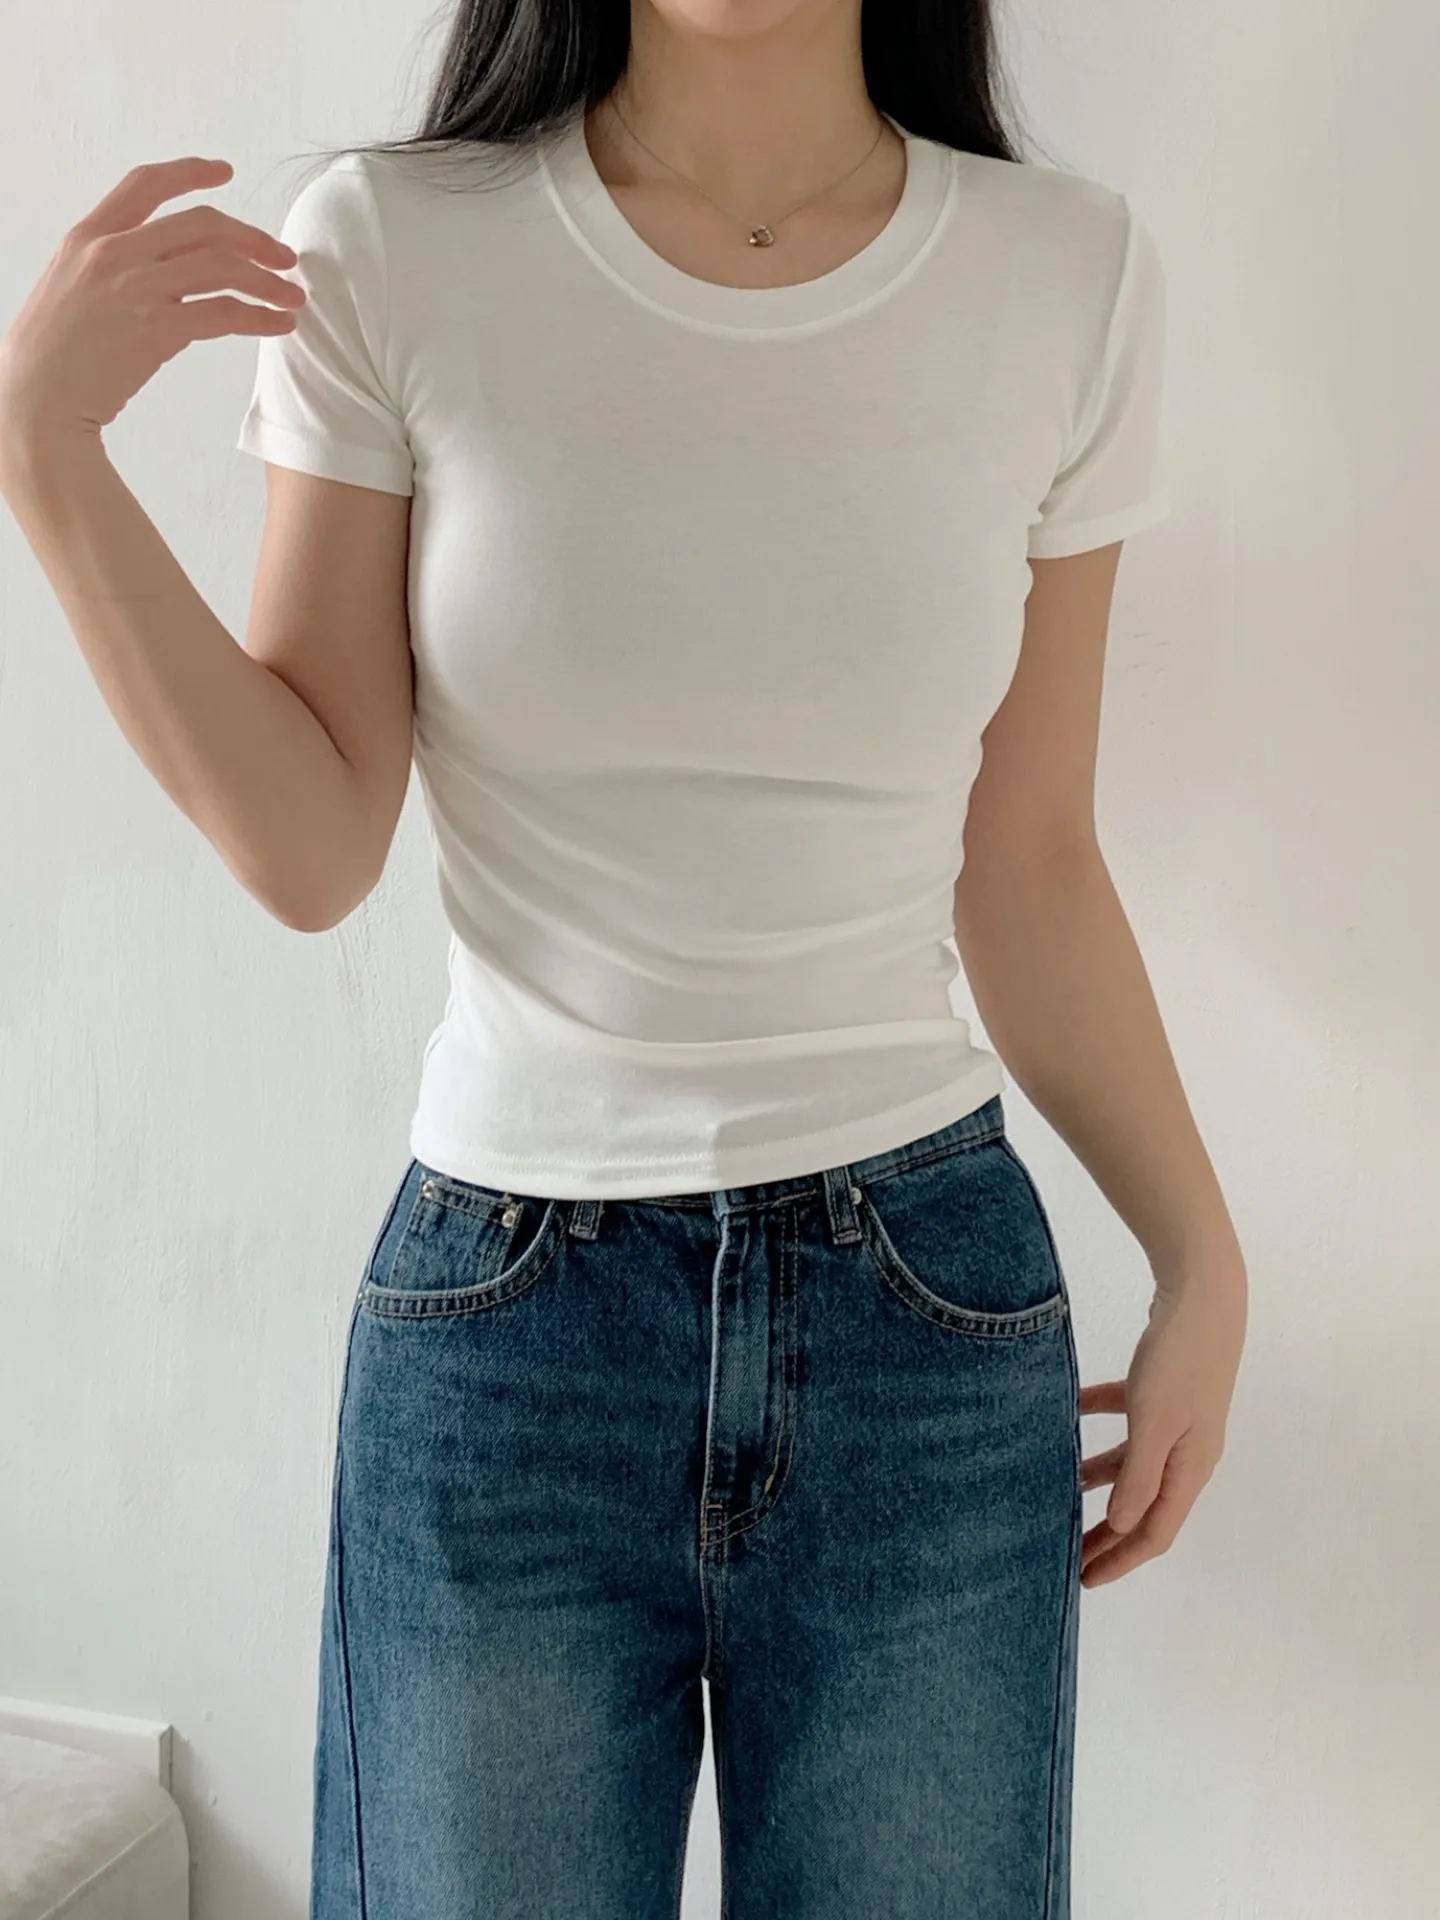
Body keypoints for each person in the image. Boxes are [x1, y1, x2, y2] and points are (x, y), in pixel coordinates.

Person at [0, 0, 1248, 1913]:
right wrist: (45, 454)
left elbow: (1029, 860)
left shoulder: (1065, 271)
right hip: (510, 1341)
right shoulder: (395, 244)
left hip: (927, 1330)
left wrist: (1201, 1258)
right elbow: (309, 845)